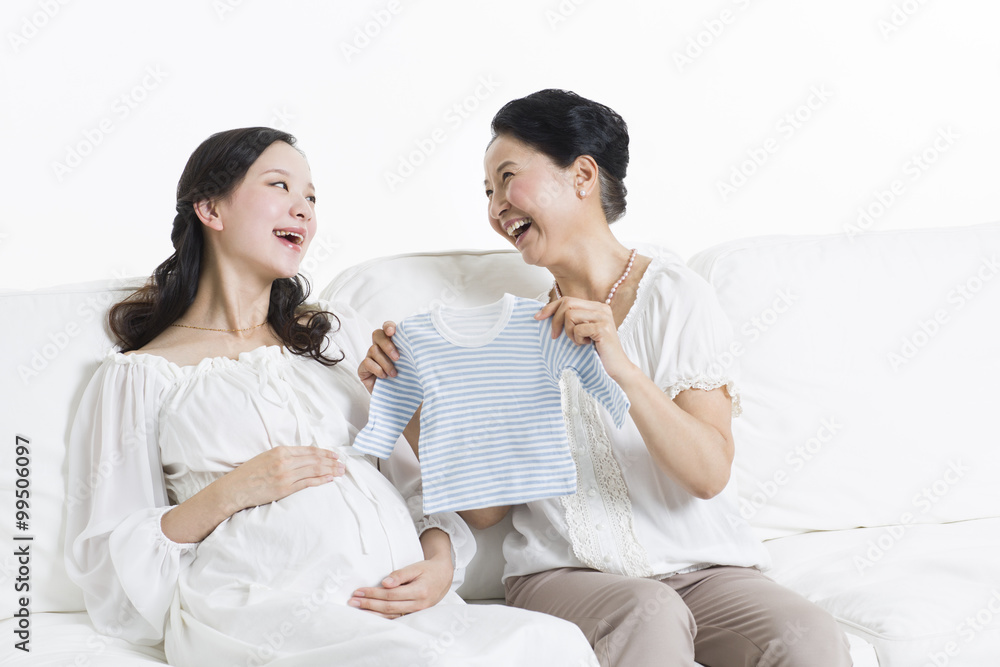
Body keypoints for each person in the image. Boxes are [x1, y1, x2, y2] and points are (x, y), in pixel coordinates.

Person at [63, 127, 599, 667]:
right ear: (210, 208)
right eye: (280, 186)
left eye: (312, 198)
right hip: (262, 607)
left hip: (393, 606)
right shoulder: (140, 376)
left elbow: (414, 487)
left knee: (552, 644)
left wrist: (438, 564)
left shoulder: (332, 344)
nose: (304, 210)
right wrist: (233, 490)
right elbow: (109, 560)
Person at [360, 90, 854, 667]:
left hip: (707, 571)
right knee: (648, 611)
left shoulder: (675, 295)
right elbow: (487, 513)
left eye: (508, 178)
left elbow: (708, 472)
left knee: (807, 634)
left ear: (583, 175)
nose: (496, 207)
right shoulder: (516, 336)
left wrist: (618, 366)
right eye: (488, 192)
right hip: (564, 575)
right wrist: (411, 401)